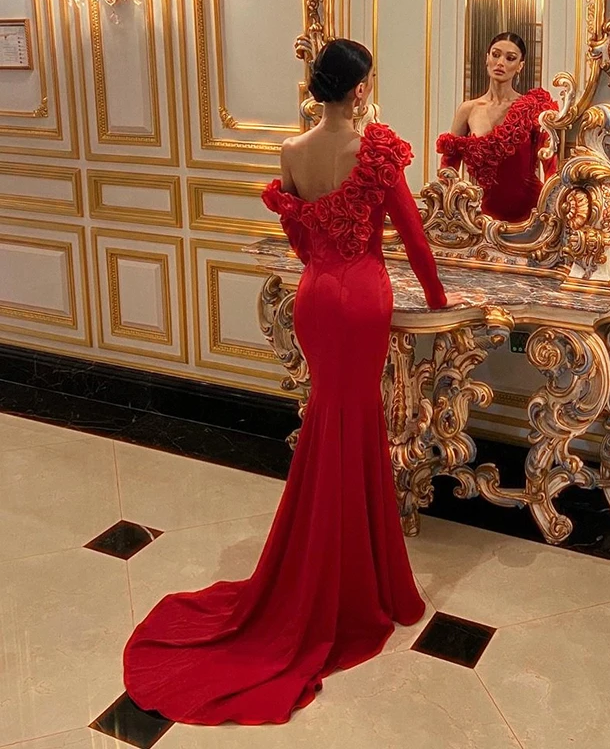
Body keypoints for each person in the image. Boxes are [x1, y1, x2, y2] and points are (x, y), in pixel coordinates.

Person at [122, 39, 463, 726]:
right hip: (362, 298)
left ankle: (321, 562)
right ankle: (355, 577)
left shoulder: (291, 151)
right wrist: (437, 301)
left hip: (316, 298)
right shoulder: (376, 151)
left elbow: (303, 243)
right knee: (356, 423)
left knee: (328, 421)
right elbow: (412, 237)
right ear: (360, 89)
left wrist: (330, 261)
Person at [437, 32, 558, 223]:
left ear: (520, 66)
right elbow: (448, 170)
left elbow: (551, 165)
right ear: (487, 58)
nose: (500, 63)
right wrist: (450, 212)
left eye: (510, 58)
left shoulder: (533, 107)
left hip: (531, 216)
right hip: (484, 216)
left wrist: (553, 212)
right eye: (495, 55)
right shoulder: (468, 110)